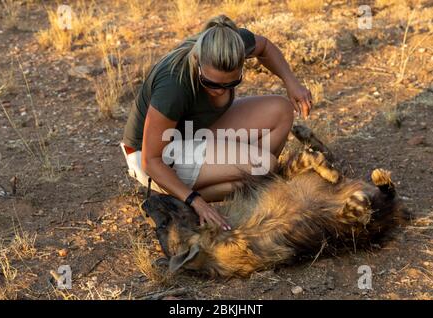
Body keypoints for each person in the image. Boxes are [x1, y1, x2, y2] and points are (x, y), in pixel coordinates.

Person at [121, 15, 312, 231]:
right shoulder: (173, 85)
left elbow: (265, 46)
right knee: (264, 165)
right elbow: (150, 160)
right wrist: (195, 201)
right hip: (155, 154)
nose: (220, 90)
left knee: (281, 110)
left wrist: (292, 83)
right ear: (198, 62)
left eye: (231, 83)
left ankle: (254, 185)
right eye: (210, 82)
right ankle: (176, 198)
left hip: (192, 130)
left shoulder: (228, 44)